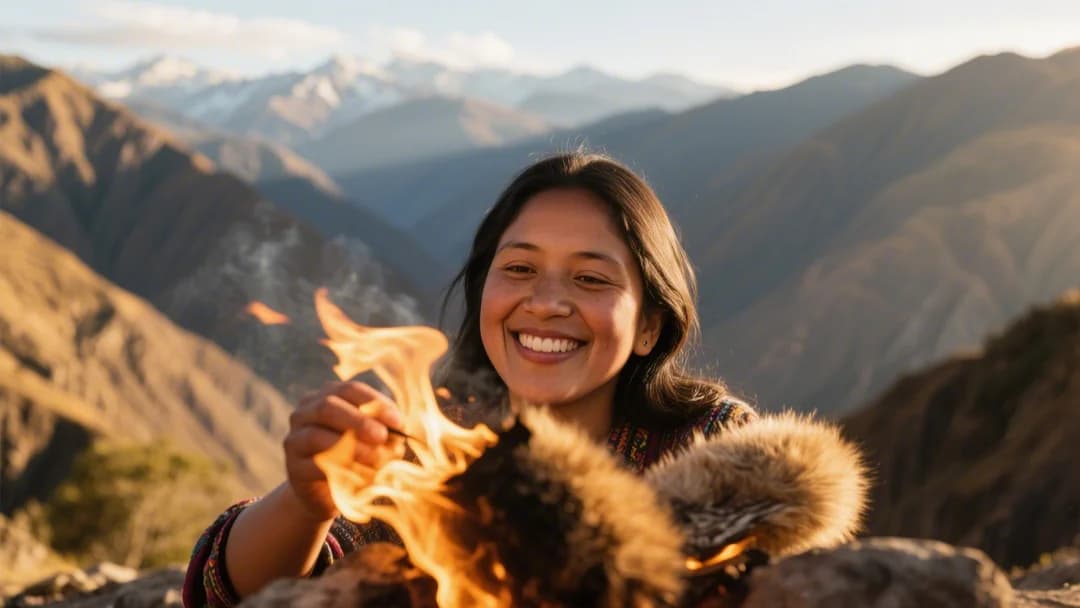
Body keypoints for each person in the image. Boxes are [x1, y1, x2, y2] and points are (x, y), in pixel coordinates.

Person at [182, 152, 756, 607]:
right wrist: (310, 500)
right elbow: (223, 595)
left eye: (589, 278)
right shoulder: (429, 443)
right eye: (519, 269)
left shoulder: (715, 449)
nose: (547, 302)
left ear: (650, 326)